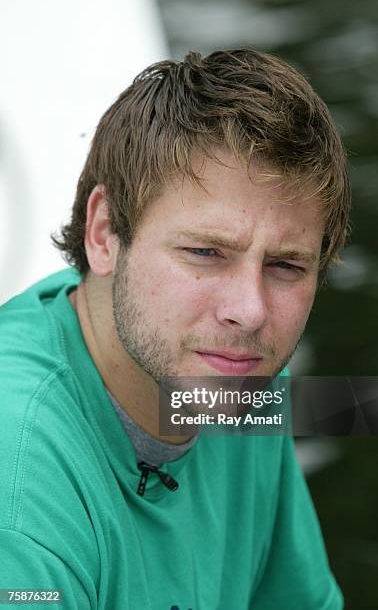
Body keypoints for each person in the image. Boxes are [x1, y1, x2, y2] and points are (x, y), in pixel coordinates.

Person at [0, 49, 350, 609]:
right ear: (105, 232)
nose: (250, 310)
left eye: (285, 265)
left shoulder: (232, 380)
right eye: (206, 252)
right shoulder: (19, 497)